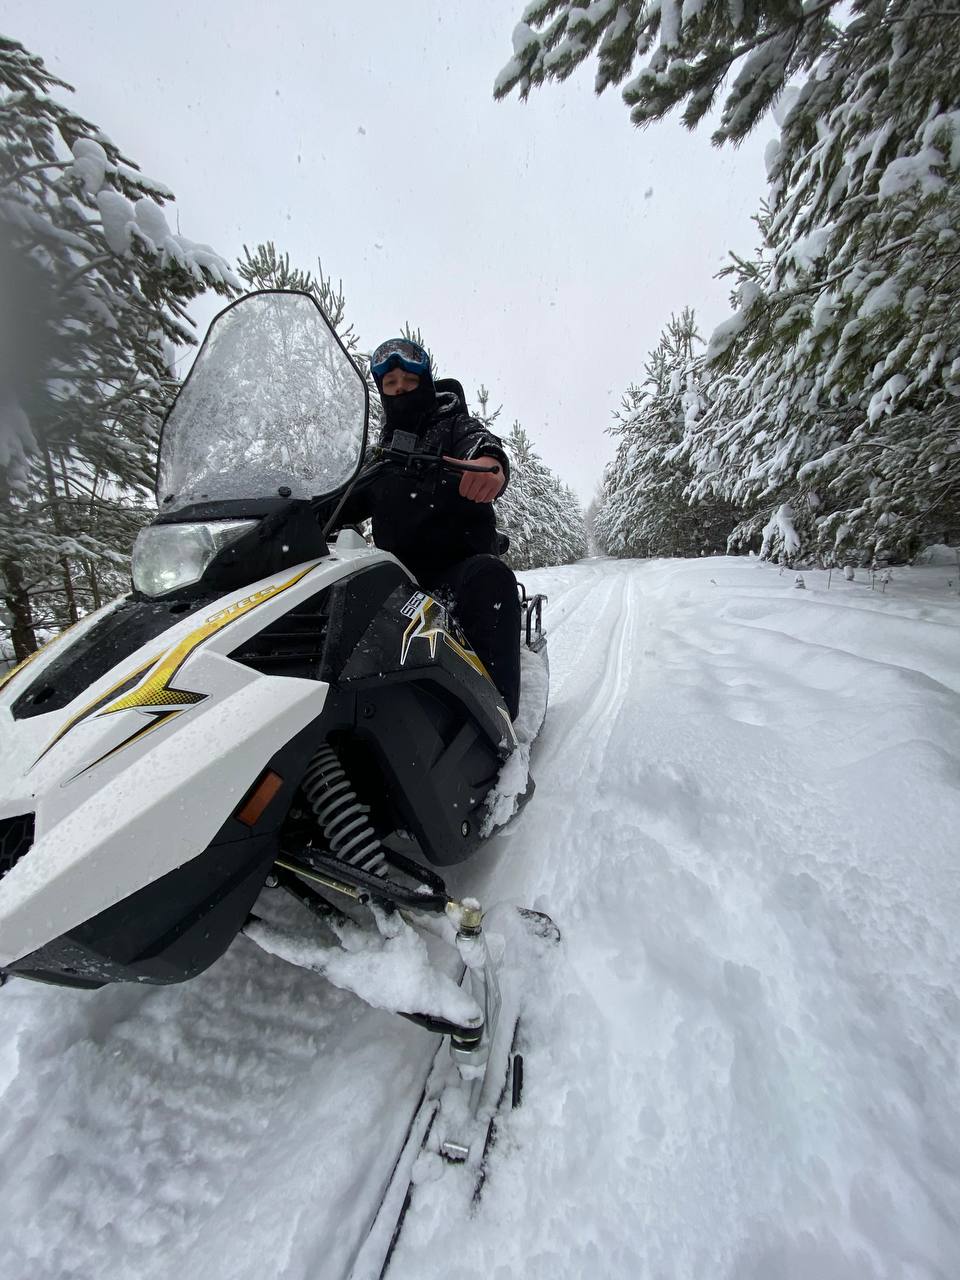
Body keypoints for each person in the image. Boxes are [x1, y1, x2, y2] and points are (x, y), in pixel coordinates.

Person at [342, 337, 522, 718]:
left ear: (424, 380)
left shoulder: (453, 423)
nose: (400, 390)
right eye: (390, 385)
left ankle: (498, 718)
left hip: (455, 568)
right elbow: (346, 498)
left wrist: (488, 462)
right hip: (397, 578)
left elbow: (480, 443)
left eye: (408, 380)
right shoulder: (381, 452)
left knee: (489, 577)